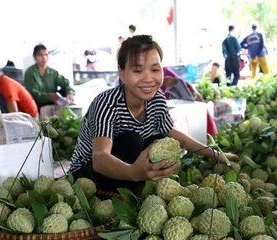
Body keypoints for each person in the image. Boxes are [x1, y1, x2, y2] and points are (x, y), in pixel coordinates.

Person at [69, 35, 236, 193]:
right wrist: (134, 173)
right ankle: (128, 192)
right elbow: (99, 158)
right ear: (121, 72)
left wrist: (217, 154)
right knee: (132, 140)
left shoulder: (156, 99)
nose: (148, 78)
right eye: (138, 71)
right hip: (87, 175)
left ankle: (140, 189)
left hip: (130, 170)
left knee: (163, 139)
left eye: (155, 69)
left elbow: (177, 136)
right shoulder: (107, 103)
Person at [161, 66, 218, 135]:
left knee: (200, 107)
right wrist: (160, 82)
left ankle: (210, 133)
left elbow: (184, 84)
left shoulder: (165, 71)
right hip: (159, 115)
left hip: (167, 111)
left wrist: (195, 92)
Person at [24, 44, 75, 110]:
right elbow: (33, 92)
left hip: (53, 104)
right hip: (36, 106)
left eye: (46, 55)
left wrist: (70, 92)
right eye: (40, 55)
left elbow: (65, 82)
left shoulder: (53, 72)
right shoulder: (30, 72)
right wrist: (48, 97)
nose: (44, 57)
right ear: (34, 57)